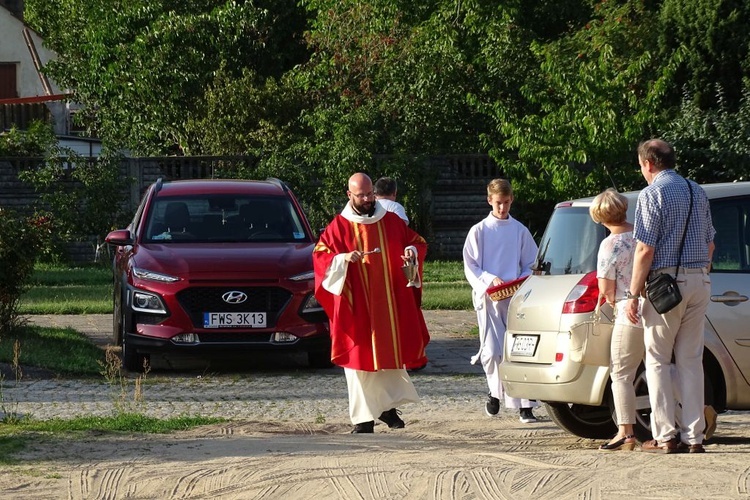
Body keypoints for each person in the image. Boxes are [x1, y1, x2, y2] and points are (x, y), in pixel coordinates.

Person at [313, 172, 430, 434]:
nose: (366, 199)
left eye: (369, 194)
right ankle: (363, 420)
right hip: (356, 308)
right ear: (349, 195)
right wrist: (342, 259)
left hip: (387, 304)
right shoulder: (339, 226)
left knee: (386, 362)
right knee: (357, 364)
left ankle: (386, 410)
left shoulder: (390, 221)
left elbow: (416, 242)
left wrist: (411, 252)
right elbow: (320, 256)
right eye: (360, 195)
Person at [625, 139, 715, 454]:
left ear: (648, 163)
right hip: (699, 281)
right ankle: (695, 437)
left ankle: (665, 435)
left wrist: (633, 294)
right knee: (691, 360)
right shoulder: (696, 190)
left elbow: (644, 249)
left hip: (666, 286)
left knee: (658, 360)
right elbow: (710, 244)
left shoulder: (652, 194)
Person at [463, 178, 539, 423]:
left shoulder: (519, 230)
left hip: (515, 298)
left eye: (506, 203)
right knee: (493, 351)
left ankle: (525, 405)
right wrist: (489, 280)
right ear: (489, 200)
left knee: (520, 349)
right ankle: (495, 393)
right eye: (498, 203)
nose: (502, 208)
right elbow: (471, 265)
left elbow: (531, 263)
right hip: (490, 298)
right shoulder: (480, 231)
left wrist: (520, 281)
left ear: (512, 200)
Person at [589, 188, 644, 451]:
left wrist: (608, 298)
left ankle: (625, 431)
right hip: (657, 307)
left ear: (601, 217)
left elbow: (606, 289)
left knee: (621, 372)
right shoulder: (641, 235)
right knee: (660, 368)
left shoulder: (610, 244)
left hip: (628, 310)